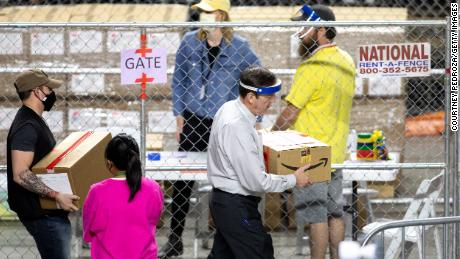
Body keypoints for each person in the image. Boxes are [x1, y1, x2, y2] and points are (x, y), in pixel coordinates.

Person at [162, 0, 260, 257]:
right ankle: (175, 237)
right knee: (183, 181)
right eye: (201, 12)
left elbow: (257, 79)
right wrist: (179, 113)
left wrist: (252, 117)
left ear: (220, 15)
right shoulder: (189, 42)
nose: (201, 16)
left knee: (227, 180)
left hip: (225, 124)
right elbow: (179, 79)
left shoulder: (240, 48)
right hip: (194, 120)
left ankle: (226, 240)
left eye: (207, 12)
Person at [272, 5, 356, 259]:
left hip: (310, 153)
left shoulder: (312, 66)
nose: (298, 34)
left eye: (303, 28)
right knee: (335, 213)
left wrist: (271, 133)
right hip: (337, 150)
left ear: (319, 30)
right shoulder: (346, 60)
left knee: (315, 216)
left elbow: (290, 112)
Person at [207, 66, 313, 259]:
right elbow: (256, 182)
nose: (273, 102)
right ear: (251, 97)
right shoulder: (237, 126)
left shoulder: (229, 108)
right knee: (260, 252)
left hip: (225, 203)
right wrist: (293, 179)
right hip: (236, 206)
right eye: (269, 97)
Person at [7, 69, 80, 259]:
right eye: (48, 89)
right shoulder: (27, 126)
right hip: (44, 216)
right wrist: (57, 196)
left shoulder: (33, 120)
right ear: (37, 91)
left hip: (47, 212)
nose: (51, 94)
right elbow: (21, 173)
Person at [83, 134, 164, 258]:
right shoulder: (153, 188)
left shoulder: (97, 191)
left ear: (109, 162)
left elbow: (88, 231)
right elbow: (156, 220)